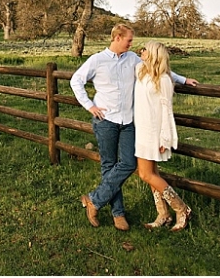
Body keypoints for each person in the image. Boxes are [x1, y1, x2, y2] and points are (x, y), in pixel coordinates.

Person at [71, 24, 197, 230]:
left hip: (129, 122)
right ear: (118, 38)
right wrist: (90, 105)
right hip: (106, 121)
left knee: (129, 164)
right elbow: (76, 81)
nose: (132, 44)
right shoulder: (97, 60)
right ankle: (117, 213)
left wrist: (183, 79)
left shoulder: (133, 60)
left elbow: (158, 68)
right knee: (109, 166)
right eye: (129, 40)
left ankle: (94, 200)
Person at [134, 40, 196, 231]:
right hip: (141, 129)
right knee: (152, 174)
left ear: (153, 54)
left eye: (145, 49)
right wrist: (183, 78)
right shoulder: (140, 71)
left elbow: (167, 110)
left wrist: (165, 138)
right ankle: (163, 214)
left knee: (145, 174)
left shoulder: (164, 80)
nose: (141, 51)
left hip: (154, 132)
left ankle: (182, 208)